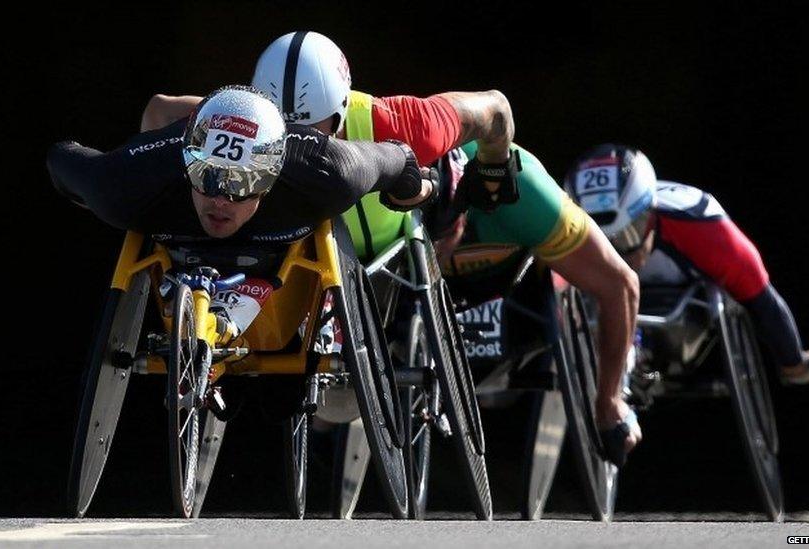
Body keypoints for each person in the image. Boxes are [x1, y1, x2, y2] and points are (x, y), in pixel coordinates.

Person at [141, 31, 641, 464]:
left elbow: (619, 283)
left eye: (308, 133)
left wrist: (608, 402)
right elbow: (159, 110)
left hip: (465, 245)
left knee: (594, 281)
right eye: (281, 135)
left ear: (338, 116)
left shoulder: (414, 128)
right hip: (348, 267)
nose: (295, 151)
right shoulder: (244, 120)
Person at [564, 143, 809, 385]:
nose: (620, 251)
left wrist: (792, 361)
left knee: (748, 285)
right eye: (605, 240)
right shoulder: (563, 227)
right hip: (601, 287)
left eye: (631, 232)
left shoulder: (704, 230)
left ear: (651, 212)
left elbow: (760, 295)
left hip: (686, 293)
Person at [47, 85, 435, 246]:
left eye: (241, 183)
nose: (219, 200)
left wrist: (415, 191)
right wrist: (94, 200)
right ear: (186, 164)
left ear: (270, 179)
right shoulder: (122, 185)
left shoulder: (328, 169)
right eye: (207, 177)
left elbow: (399, 156)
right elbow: (62, 158)